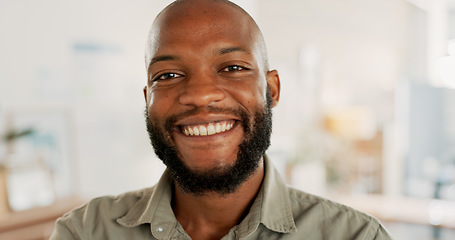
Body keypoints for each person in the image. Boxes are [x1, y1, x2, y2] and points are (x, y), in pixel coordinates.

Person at [50, 0, 393, 239]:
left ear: (271, 89)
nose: (200, 94)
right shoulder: (85, 232)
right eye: (168, 75)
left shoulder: (355, 236)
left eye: (232, 68)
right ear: (147, 100)